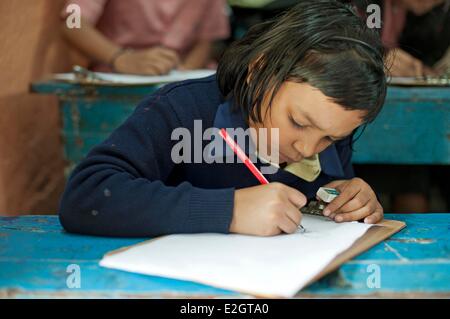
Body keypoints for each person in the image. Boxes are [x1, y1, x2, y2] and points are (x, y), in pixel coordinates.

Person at [58, 0, 387, 237]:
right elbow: (86, 197)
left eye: (331, 138)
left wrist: (351, 198)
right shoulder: (182, 112)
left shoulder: (325, 127)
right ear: (259, 72)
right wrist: (228, 210)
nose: (307, 147)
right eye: (298, 123)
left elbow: (328, 197)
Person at [61, 0, 230, 75]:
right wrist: (120, 58)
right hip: (119, 77)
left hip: (186, 77)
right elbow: (71, 22)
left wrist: (184, 72)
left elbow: (208, 38)